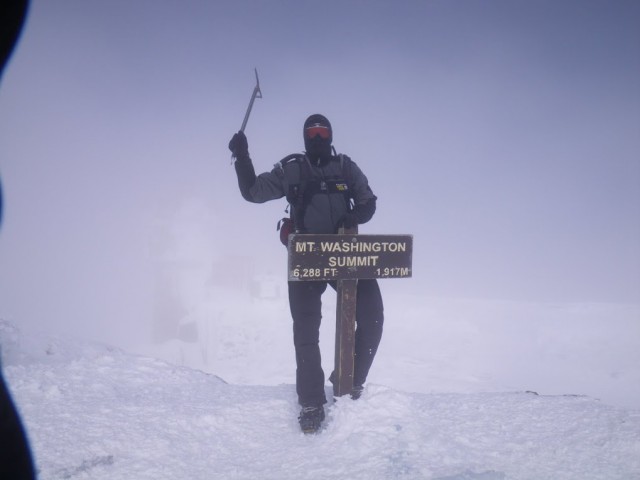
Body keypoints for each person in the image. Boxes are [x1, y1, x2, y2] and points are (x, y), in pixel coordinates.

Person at [228, 114, 384, 433]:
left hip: (345, 255)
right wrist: (242, 157)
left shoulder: (345, 166)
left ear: (330, 135)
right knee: (306, 331)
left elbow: (369, 202)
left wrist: (351, 217)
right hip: (306, 257)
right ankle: (312, 402)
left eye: (322, 132)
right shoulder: (292, 169)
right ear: (304, 137)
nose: (317, 138)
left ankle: (350, 381)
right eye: (311, 133)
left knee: (373, 317)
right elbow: (253, 191)